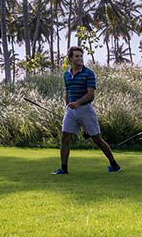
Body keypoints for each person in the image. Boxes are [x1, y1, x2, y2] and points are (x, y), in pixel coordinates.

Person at [52, 46, 121, 174]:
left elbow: (91, 95)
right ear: (71, 58)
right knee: (65, 137)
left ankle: (114, 165)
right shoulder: (66, 74)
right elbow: (67, 91)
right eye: (76, 56)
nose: (79, 59)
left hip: (85, 110)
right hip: (71, 111)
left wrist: (77, 103)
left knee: (97, 139)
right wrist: (68, 106)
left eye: (80, 56)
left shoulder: (88, 73)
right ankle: (63, 169)